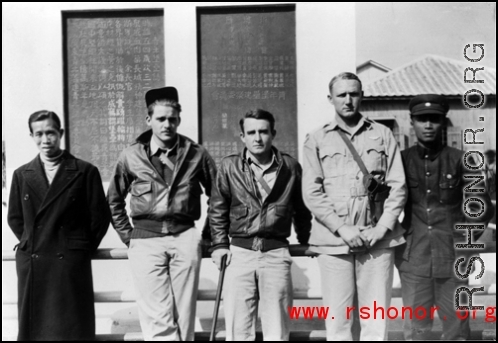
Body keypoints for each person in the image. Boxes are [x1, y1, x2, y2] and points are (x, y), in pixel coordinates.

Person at [302, 72, 407, 340]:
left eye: (354, 93)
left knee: (375, 321)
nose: (348, 100)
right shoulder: (317, 139)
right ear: (331, 99)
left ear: (361, 96)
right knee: (339, 323)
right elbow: (312, 192)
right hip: (334, 242)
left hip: (377, 240)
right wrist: (343, 228)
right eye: (341, 95)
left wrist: (382, 228)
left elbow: (398, 186)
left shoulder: (382, 135)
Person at [107, 86, 217, 341]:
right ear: (149, 120)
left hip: (185, 237)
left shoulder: (196, 153)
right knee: (156, 316)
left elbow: (218, 196)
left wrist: (208, 235)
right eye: (160, 119)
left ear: (179, 119)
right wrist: (129, 236)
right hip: (146, 240)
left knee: (184, 315)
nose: (167, 124)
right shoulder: (131, 155)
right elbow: (113, 201)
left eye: (172, 119)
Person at [395, 94, 495, 340]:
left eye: (434, 120)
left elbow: (481, 208)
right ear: (412, 122)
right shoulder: (401, 161)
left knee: (456, 331)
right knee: (417, 332)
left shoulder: (462, 160)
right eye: (421, 120)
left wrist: (462, 242)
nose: (428, 125)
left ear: (443, 123)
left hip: (453, 260)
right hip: (414, 260)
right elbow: (385, 206)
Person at [209, 109, 312, 340]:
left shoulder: (290, 167)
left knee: (277, 328)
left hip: (276, 253)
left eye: (263, 132)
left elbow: (302, 209)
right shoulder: (229, 166)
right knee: (238, 329)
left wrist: (307, 240)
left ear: (273, 134)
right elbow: (217, 209)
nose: (257, 138)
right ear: (242, 136)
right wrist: (218, 245)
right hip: (239, 254)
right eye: (251, 132)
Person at [7, 110, 110, 340]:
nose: (45, 140)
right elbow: (15, 218)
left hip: (69, 262)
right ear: (32, 136)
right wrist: (32, 242)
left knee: (71, 328)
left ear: (61, 133)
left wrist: (77, 247)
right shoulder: (22, 174)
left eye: (51, 133)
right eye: (39, 134)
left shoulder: (84, 171)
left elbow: (99, 217)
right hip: (34, 261)